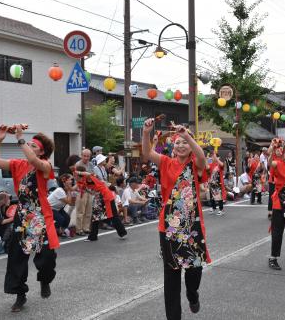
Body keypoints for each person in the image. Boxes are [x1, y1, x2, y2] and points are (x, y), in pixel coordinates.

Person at [142, 118, 210, 320]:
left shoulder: (195, 165)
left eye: (185, 142)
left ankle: (192, 294)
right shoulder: (166, 163)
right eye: (177, 142)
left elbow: (202, 158)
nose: (181, 145)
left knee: (194, 269)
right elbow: (147, 153)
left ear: (190, 145)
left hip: (192, 226)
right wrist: (146, 133)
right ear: (172, 146)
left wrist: (187, 134)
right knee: (171, 276)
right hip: (168, 226)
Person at [0, 124, 58, 312]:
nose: (28, 146)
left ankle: (44, 280)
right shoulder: (18, 165)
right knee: (17, 257)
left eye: (33, 145)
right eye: (28, 144)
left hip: (41, 215)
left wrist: (20, 138)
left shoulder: (45, 166)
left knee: (46, 256)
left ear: (42, 151)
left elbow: (35, 161)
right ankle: (20, 295)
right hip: (22, 216)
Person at [74, 166, 127, 242]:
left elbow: (88, 174)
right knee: (96, 217)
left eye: (75, 174)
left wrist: (78, 172)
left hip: (105, 196)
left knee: (112, 215)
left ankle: (122, 232)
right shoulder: (82, 181)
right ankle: (93, 236)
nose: (74, 176)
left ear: (79, 174)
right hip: (99, 197)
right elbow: (91, 191)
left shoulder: (88, 178)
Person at [75, 149, 95, 236]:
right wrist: (87, 176)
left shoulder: (91, 164)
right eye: (84, 156)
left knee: (89, 210)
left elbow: (93, 176)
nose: (86, 158)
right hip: (81, 189)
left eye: (88, 156)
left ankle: (86, 228)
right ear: (81, 155)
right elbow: (77, 177)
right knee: (81, 210)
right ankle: (79, 229)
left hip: (90, 190)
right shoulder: (78, 164)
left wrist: (89, 177)